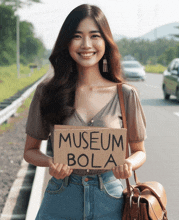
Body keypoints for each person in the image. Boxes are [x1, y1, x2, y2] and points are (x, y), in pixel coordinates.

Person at [23, 4, 147, 220]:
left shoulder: (125, 94)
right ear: (67, 42)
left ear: (105, 42)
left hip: (111, 199)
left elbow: (140, 151)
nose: (86, 44)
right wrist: (50, 162)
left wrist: (128, 164)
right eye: (77, 36)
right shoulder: (47, 92)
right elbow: (30, 151)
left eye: (94, 36)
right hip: (61, 197)